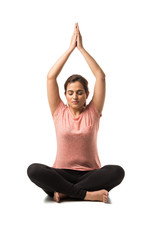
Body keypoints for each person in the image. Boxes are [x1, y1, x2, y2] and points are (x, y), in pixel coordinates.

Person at [27, 22, 125, 203]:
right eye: (70, 93)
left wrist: (82, 49)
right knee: (33, 170)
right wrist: (70, 49)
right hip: (60, 174)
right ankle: (86, 195)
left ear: (87, 94)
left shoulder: (93, 111)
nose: (75, 96)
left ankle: (66, 193)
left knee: (117, 171)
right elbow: (50, 77)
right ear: (64, 95)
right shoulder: (58, 110)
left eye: (80, 92)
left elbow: (100, 76)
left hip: (91, 175)